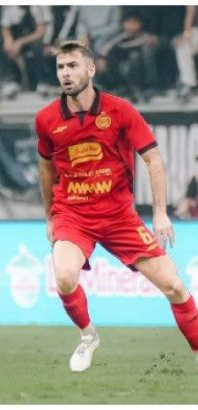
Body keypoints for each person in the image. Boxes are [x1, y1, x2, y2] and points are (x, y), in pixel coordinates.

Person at [35, 40, 198, 372]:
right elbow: (45, 169)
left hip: (120, 217)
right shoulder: (46, 119)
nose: (65, 74)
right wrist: (50, 216)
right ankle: (88, 336)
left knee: (174, 285)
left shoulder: (120, 111)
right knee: (64, 276)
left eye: (72, 66)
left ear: (91, 70)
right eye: (60, 67)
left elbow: (153, 159)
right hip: (74, 215)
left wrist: (162, 213)